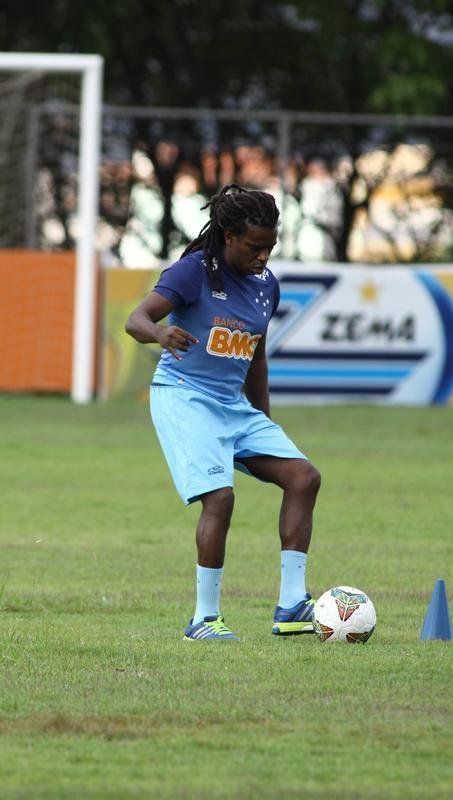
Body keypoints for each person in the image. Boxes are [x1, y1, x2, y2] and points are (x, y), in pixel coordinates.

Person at [125, 184, 321, 640]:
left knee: (304, 478)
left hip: (234, 406)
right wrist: (160, 334)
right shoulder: (193, 272)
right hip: (185, 397)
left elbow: (256, 357)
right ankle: (204, 619)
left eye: (270, 247)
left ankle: (292, 605)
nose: (263, 256)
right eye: (255, 247)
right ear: (229, 236)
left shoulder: (265, 286)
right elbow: (135, 320)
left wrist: (264, 418)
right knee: (221, 498)